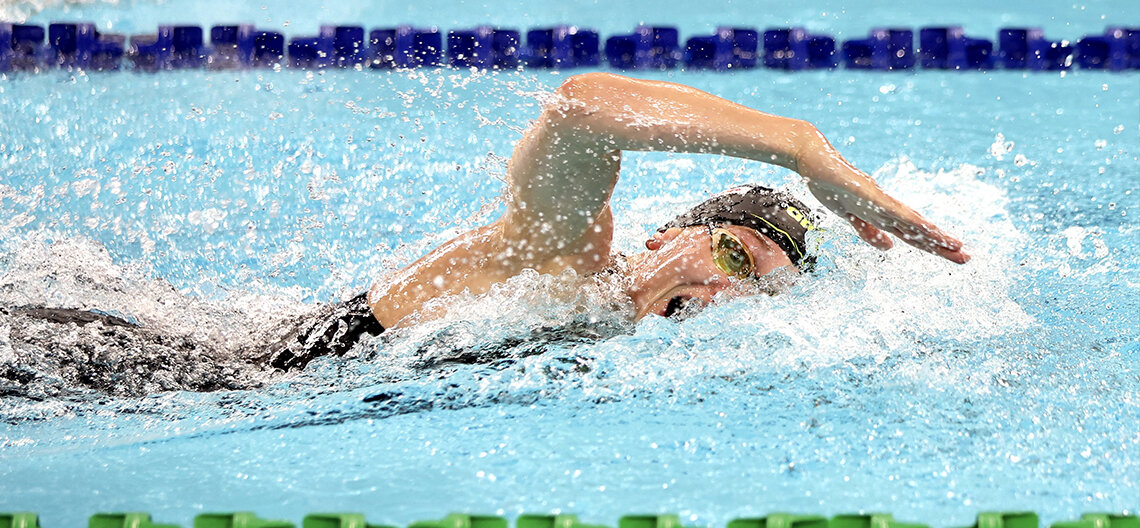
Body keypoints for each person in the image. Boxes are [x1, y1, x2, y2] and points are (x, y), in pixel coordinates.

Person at [265, 72, 969, 371]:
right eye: (736, 258)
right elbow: (578, 111)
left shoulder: (622, 346)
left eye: (762, 292)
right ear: (665, 235)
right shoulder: (565, 259)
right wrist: (799, 147)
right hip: (209, 381)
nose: (730, 296)